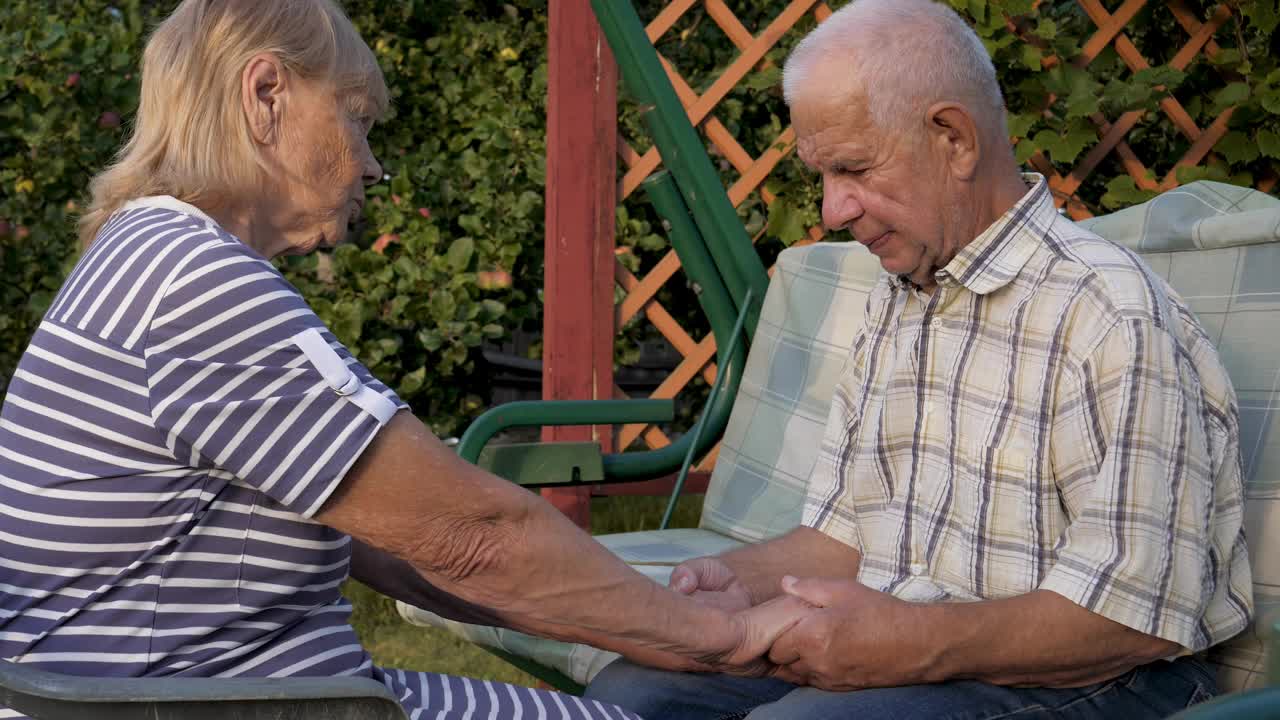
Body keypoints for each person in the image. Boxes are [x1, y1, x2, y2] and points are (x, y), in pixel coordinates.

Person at [0, 1, 810, 718]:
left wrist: (640, 614)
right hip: (214, 704)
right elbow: (475, 534)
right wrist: (722, 638)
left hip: (185, 692)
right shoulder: (197, 284)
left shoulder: (142, 251)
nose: (371, 164)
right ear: (265, 96)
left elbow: (402, 539)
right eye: (357, 120)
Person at [584, 1, 1253, 718]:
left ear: (954, 139)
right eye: (822, 174)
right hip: (927, 641)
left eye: (853, 168)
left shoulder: (1107, 315)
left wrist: (912, 641)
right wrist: (735, 584)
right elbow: (847, 534)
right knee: (633, 694)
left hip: (1104, 676)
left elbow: (1132, 618)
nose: (833, 209)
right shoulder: (903, 295)